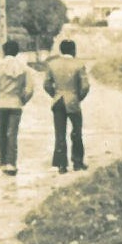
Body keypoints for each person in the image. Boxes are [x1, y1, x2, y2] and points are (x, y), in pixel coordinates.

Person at [43, 38, 91, 172]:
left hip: (58, 101)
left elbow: (46, 84)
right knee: (76, 132)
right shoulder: (79, 65)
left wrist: (55, 94)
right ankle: (77, 162)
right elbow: (85, 86)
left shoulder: (52, 64)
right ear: (73, 50)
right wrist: (78, 97)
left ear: (61, 50)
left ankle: (61, 165)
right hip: (73, 101)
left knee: (60, 133)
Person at [0, 39, 34, 174]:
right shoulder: (24, 68)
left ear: (4, 51)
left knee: (1, 133)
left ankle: (2, 162)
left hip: (1, 103)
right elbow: (30, 89)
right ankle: (11, 164)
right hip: (16, 104)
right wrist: (22, 100)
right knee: (12, 134)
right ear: (17, 52)